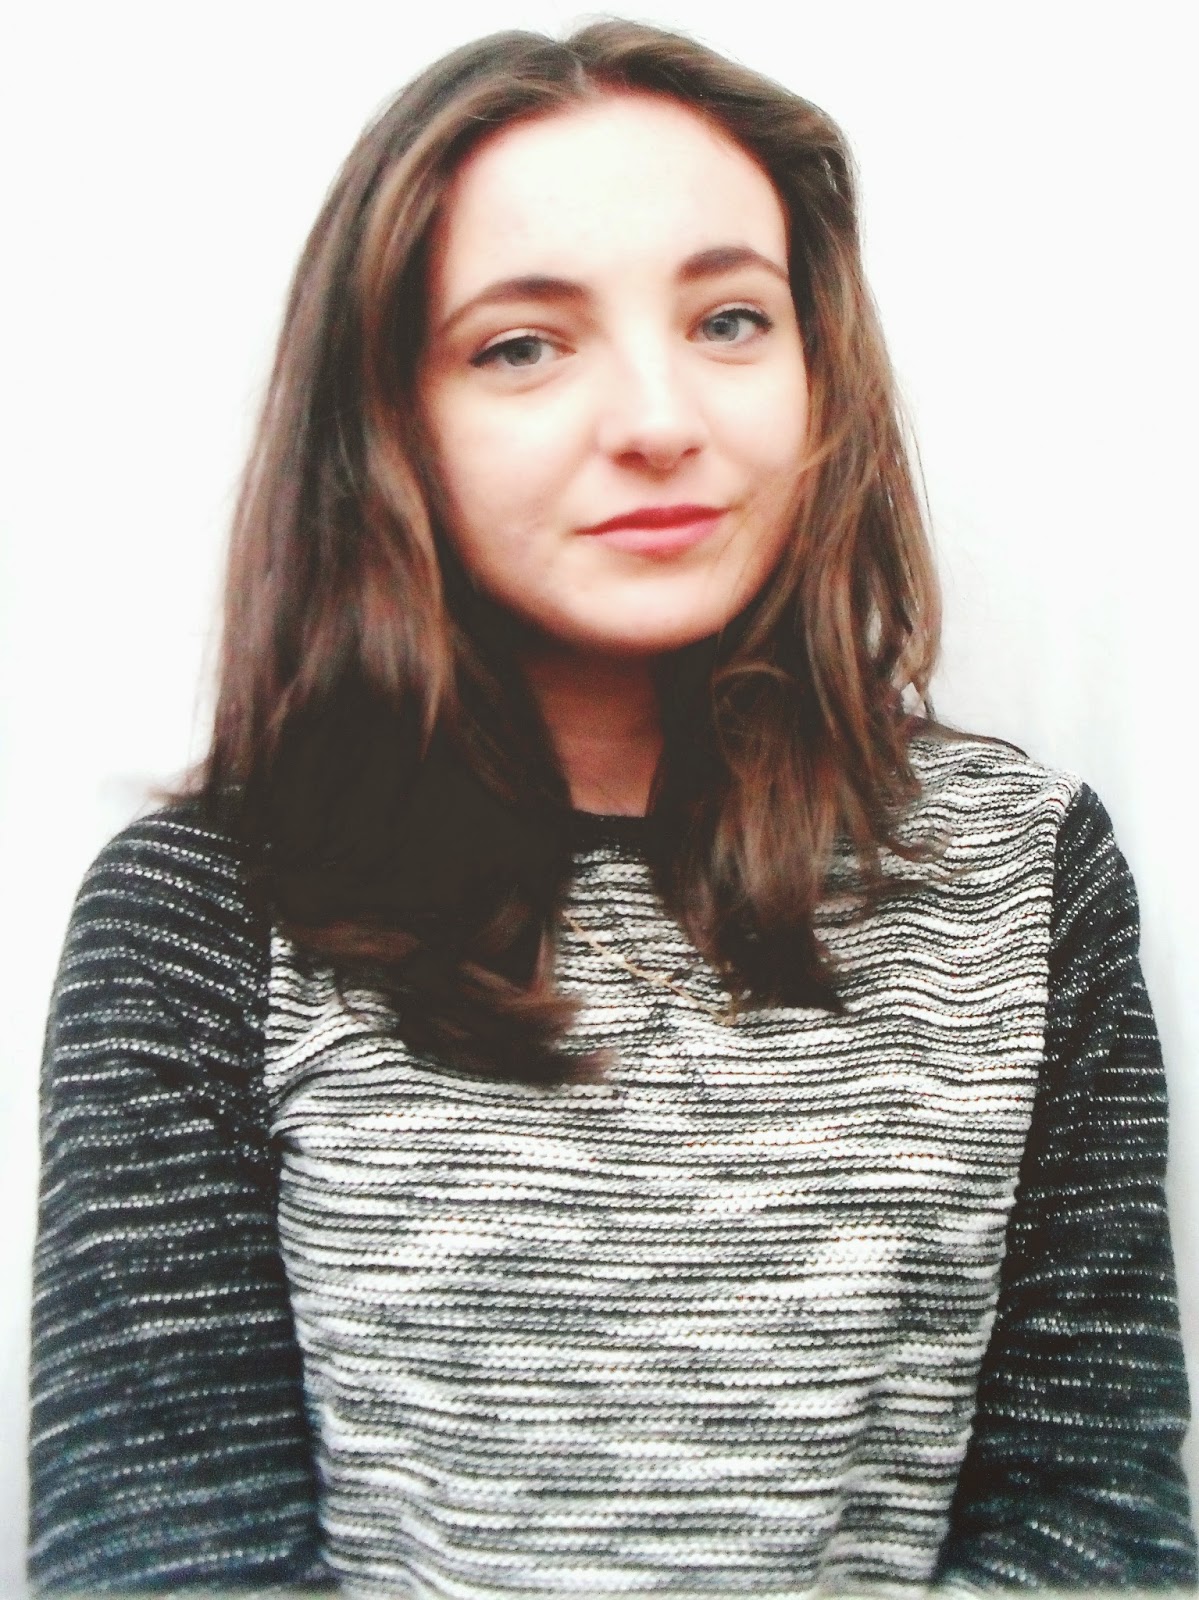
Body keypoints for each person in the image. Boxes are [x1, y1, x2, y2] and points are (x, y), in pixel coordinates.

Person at [28, 18, 1196, 1597]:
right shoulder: (209, 910)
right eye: (523, 345)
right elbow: (159, 1547)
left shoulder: (1021, 869)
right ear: (389, 420)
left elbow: (1090, 1512)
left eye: (730, 319)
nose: (659, 417)